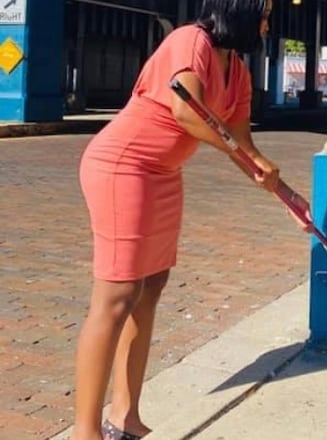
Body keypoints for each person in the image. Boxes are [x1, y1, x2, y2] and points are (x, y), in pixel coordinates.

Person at [73, 1, 309, 439]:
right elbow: (186, 110)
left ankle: (125, 418)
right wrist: (253, 157)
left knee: (151, 288)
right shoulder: (189, 41)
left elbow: (242, 144)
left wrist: (290, 198)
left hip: (163, 175)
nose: (267, 23)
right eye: (264, 12)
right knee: (118, 294)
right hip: (123, 166)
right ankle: (84, 432)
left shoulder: (237, 69)